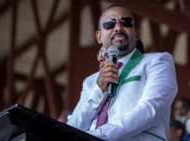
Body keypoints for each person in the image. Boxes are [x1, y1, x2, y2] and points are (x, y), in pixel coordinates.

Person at [66, 4, 178, 141]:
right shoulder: (91, 81)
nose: (118, 28)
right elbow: (72, 127)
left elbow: (150, 110)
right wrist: (98, 89)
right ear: (99, 36)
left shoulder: (158, 62)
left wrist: (98, 136)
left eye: (126, 22)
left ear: (136, 34)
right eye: (109, 24)